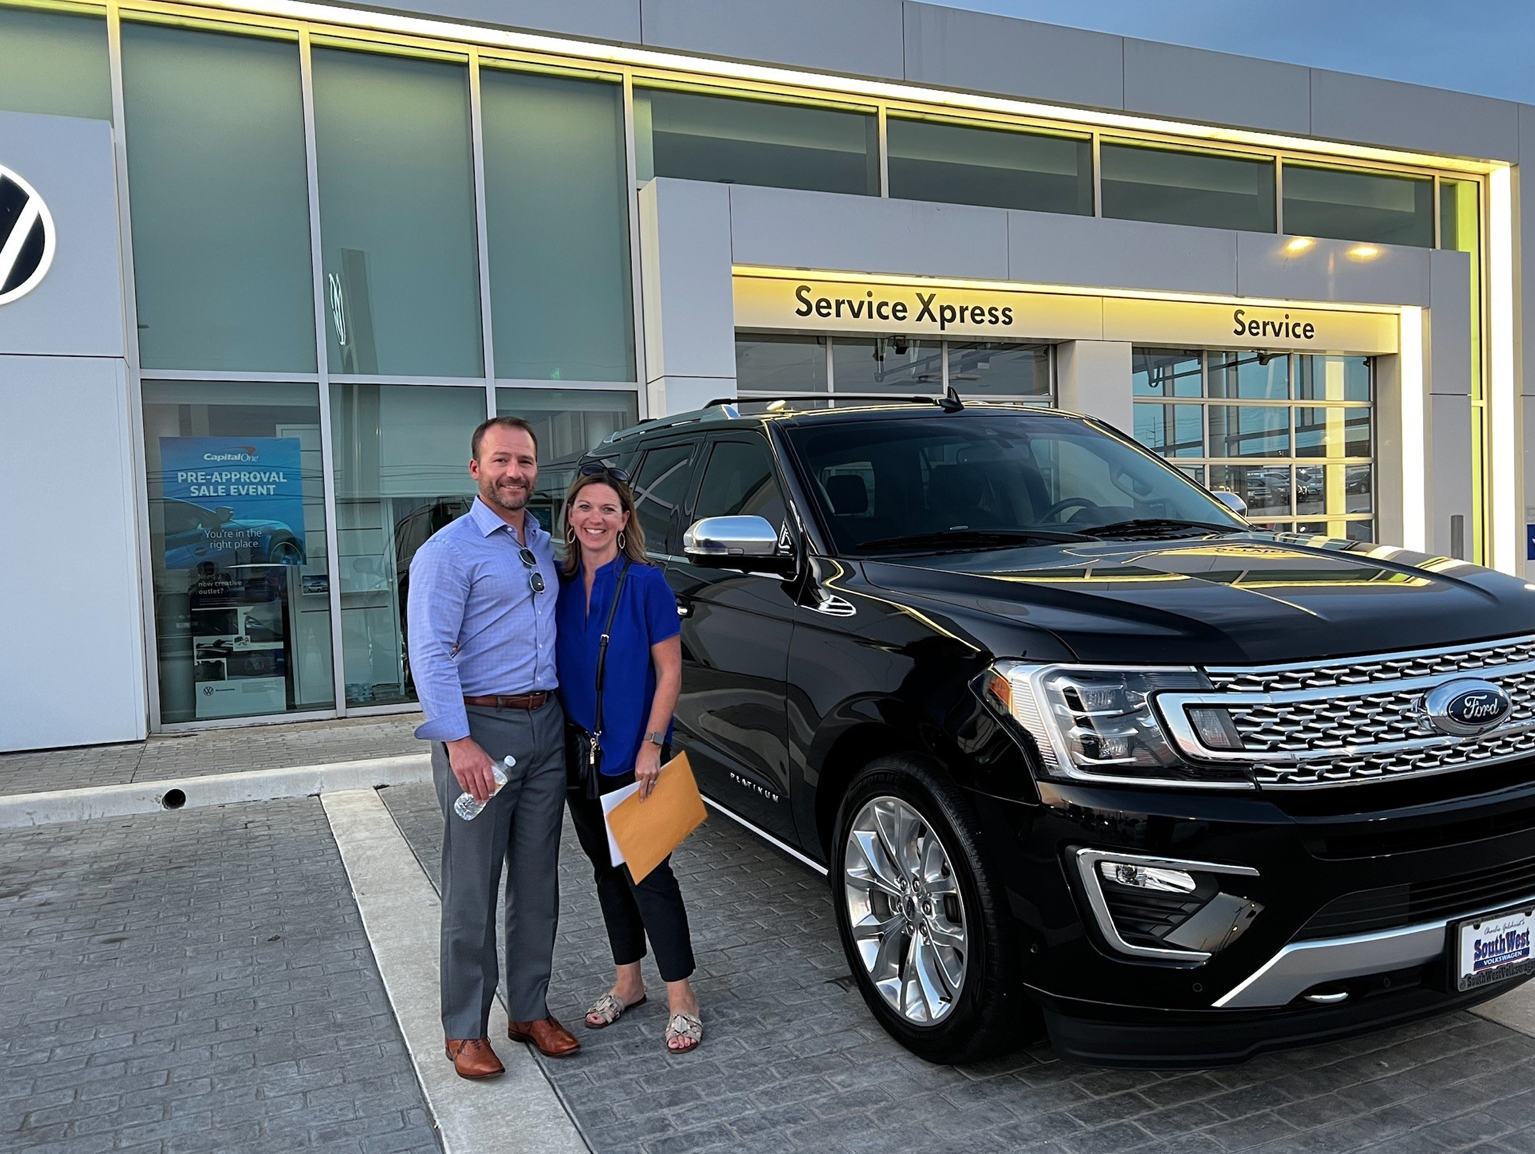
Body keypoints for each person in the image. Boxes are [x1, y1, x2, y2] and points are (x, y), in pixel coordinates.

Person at [406, 415, 580, 1080]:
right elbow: (428, 651)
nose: (515, 472)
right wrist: (458, 743)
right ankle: (464, 1029)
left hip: (545, 727)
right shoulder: (447, 552)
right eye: (501, 460)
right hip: (481, 735)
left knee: (538, 884)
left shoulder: (540, 541)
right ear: (475, 469)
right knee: (472, 888)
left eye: (526, 462)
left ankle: (529, 1009)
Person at [556, 465, 703, 1054]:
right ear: (570, 516)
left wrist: (652, 743)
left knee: (648, 872)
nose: (596, 518)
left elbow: (670, 669)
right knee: (605, 870)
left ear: (624, 520)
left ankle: (681, 996)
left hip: (631, 754)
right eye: (585, 507)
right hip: (576, 754)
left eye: (608, 509)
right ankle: (628, 982)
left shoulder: (646, 582)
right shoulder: (559, 581)